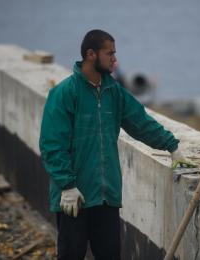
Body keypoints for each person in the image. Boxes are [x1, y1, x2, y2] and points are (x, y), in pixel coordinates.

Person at [39, 29, 191, 260]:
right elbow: (52, 145)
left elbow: (141, 123)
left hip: (106, 196)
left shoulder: (114, 92)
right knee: (71, 255)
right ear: (91, 54)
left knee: (110, 255)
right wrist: (66, 185)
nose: (115, 60)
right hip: (74, 197)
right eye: (109, 53)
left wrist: (173, 147)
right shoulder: (64, 93)